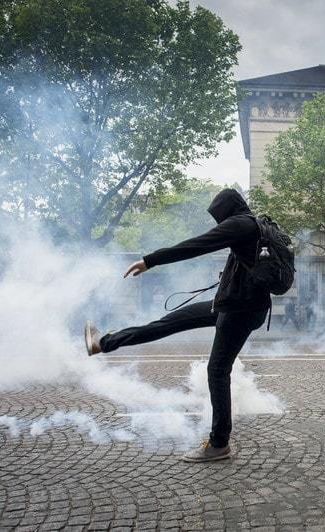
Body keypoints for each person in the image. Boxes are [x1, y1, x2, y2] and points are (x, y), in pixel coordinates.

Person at [83, 189, 271, 463]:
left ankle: (219, 444)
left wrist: (151, 260)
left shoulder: (240, 224)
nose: (219, 224)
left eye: (219, 217)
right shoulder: (254, 225)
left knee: (217, 370)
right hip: (234, 302)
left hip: (240, 309)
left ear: (227, 211)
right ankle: (103, 343)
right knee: (169, 322)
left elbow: (196, 245)